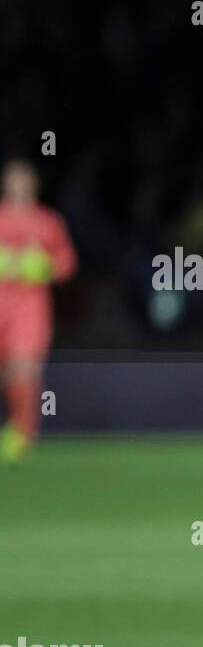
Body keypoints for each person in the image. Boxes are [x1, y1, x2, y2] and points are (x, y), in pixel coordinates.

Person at [0, 159, 77, 464]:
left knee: (24, 367)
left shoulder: (48, 221)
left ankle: (23, 432)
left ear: (34, 185)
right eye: (13, 180)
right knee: (8, 373)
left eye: (24, 180)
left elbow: (67, 262)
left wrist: (45, 267)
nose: (19, 186)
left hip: (30, 308)